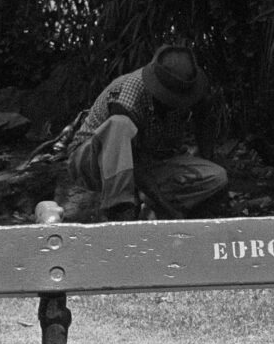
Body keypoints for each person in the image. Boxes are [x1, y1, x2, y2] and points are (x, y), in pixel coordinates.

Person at [68, 44, 229, 221]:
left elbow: (204, 118)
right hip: (94, 161)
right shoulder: (131, 91)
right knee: (119, 124)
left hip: (149, 161)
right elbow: (127, 156)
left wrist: (205, 159)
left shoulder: (190, 91)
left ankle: (152, 209)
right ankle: (119, 208)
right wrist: (161, 201)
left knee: (217, 177)